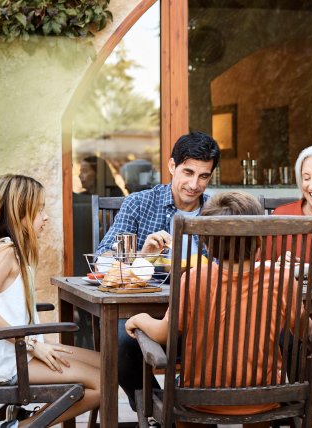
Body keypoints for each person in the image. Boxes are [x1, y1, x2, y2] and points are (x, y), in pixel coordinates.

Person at [124, 191, 301, 427]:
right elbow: (303, 330)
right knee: (259, 390)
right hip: (264, 397)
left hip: (198, 399)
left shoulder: (195, 278)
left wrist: (140, 318)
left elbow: (163, 334)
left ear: (207, 243)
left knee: (184, 391)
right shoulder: (283, 278)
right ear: (260, 239)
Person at [0, 175, 101, 428]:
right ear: (19, 213)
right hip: (9, 362)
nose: (46, 217)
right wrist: (31, 345)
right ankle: (23, 427)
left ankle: (30, 420)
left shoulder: (12, 251)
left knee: (107, 364)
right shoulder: (3, 252)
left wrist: (33, 344)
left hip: (20, 352)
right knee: (102, 384)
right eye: (40, 210)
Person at [98, 132, 221, 412]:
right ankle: (160, 411)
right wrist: (142, 255)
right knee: (119, 341)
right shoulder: (139, 203)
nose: (194, 184)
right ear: (171, 166)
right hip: (147, 312)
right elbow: (103, 262)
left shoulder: (216, 211)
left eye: (204, 176)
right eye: (188, 172)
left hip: (203, 312)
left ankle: (196, 409)